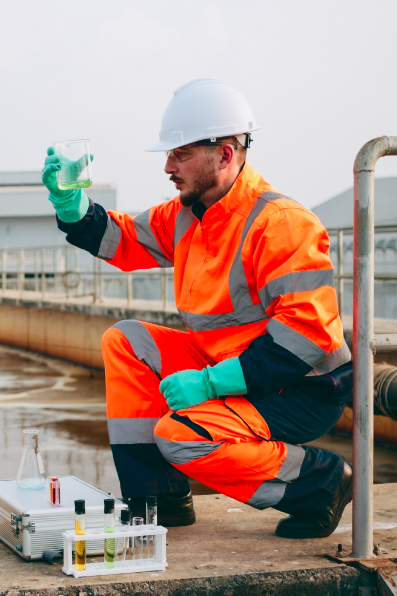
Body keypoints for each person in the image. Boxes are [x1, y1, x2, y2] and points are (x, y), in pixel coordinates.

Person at [42, 79, 352, 539]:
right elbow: (122, 238)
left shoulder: (281, 223)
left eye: (180, 153)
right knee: (126, 340)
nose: (168, 166)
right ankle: (160, 499)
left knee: (180, 435)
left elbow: (306, 336)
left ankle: (317, 482)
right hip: (231, 368)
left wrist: (209, 383)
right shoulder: (188, 213)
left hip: (298, 390)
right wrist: (71, 204)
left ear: (225, 155)